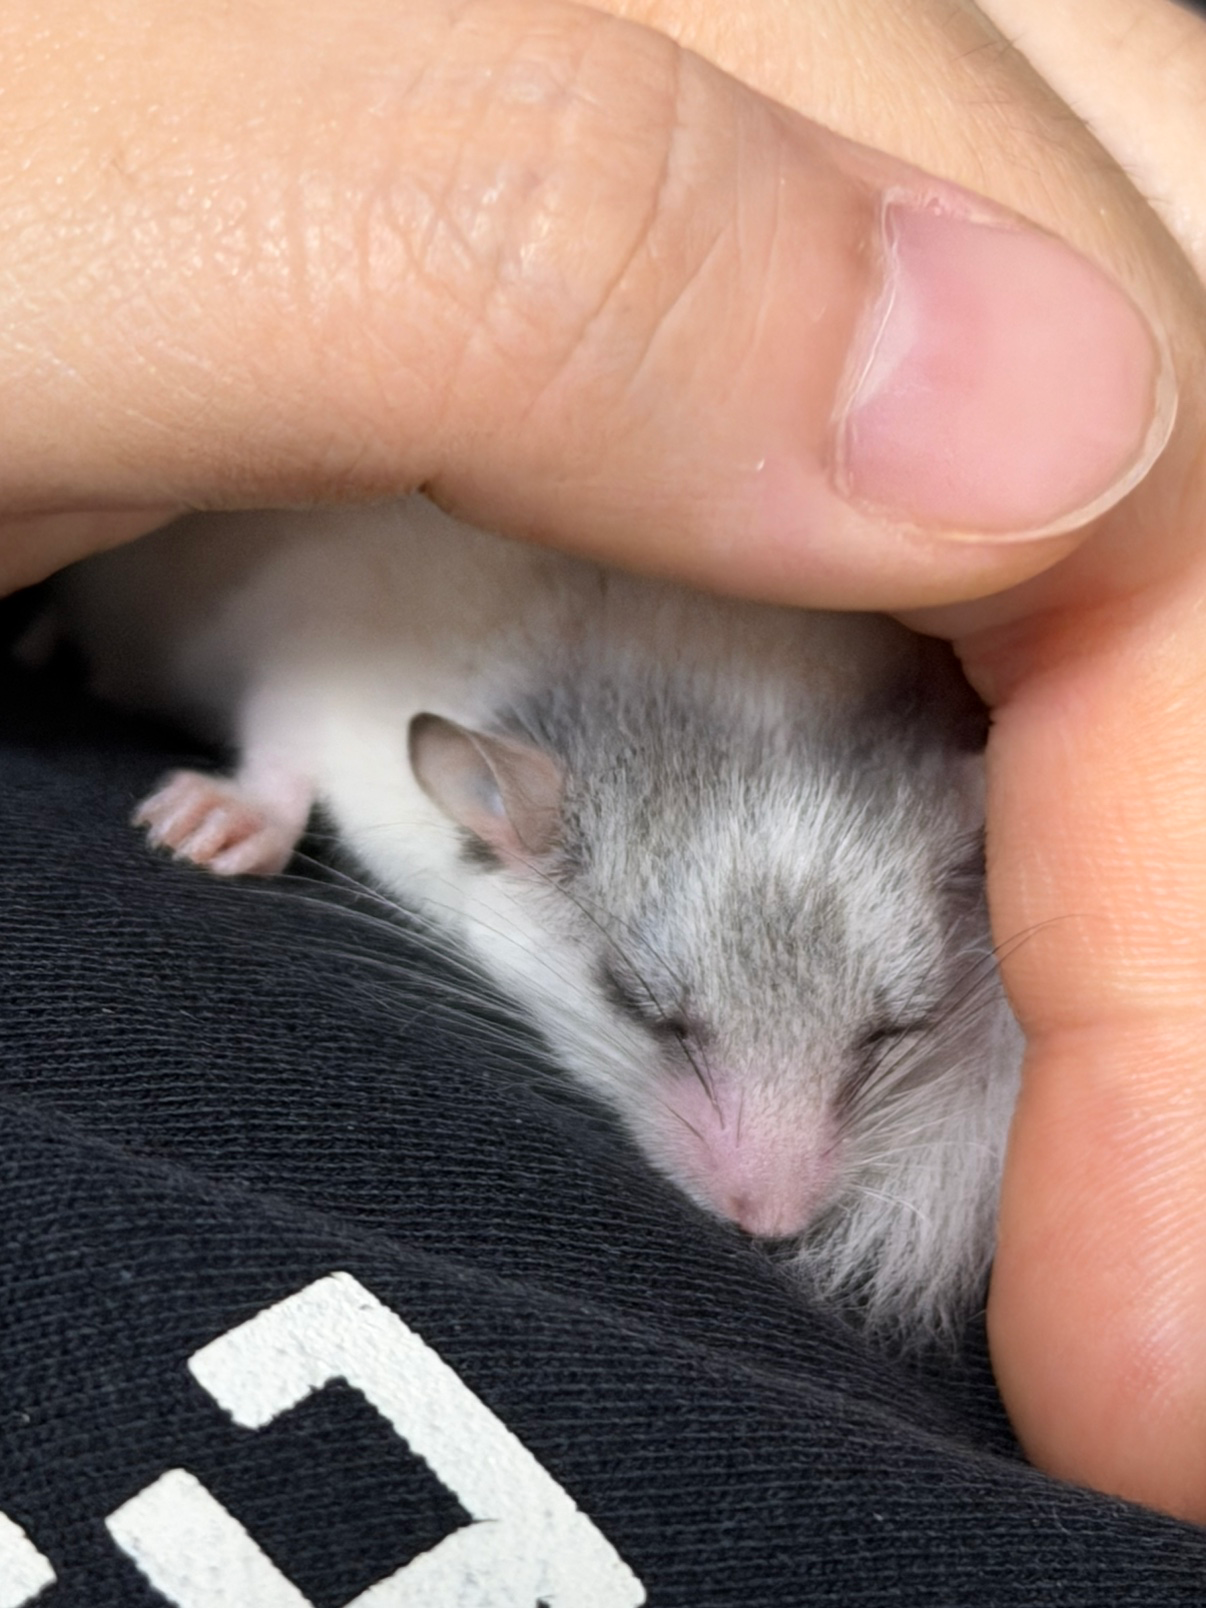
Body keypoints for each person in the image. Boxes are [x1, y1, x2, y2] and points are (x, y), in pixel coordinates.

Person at [2, 0, 1205, 1554]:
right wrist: (272, 787)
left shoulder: (821, 727)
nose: (775, 1202)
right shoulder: (463, 703)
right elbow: (330, 643)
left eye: (879, 1042)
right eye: (670, 1025)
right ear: (505, 818)